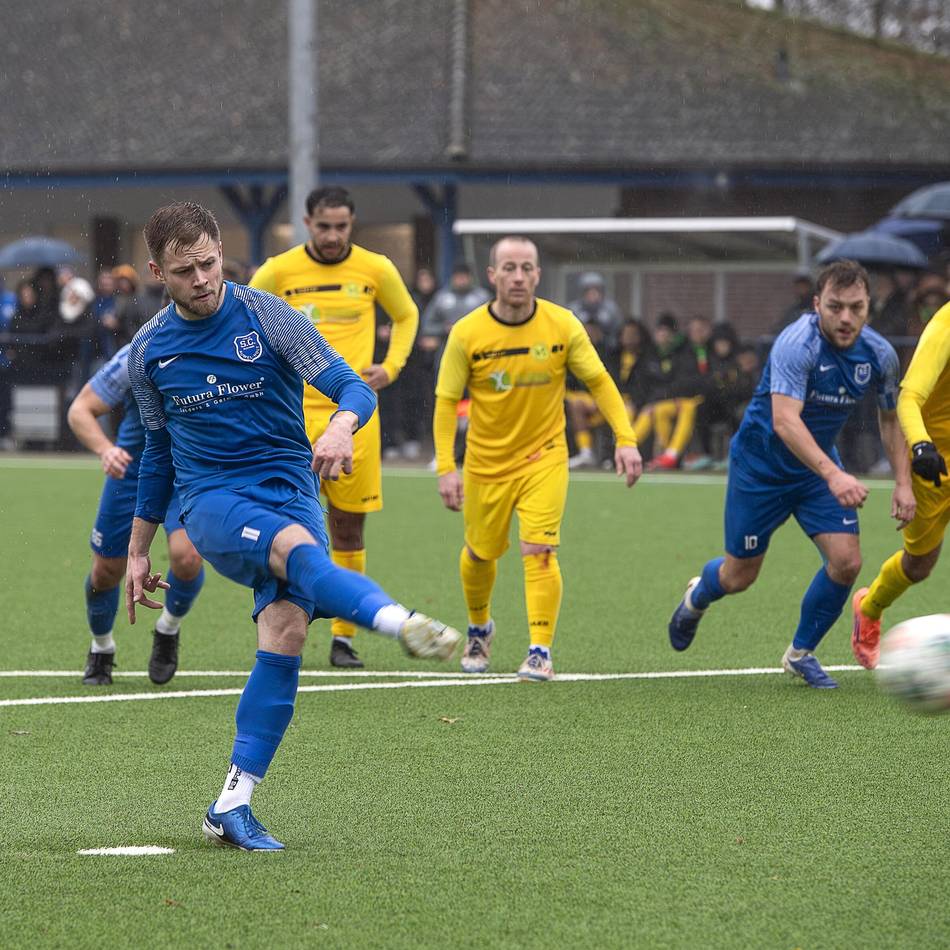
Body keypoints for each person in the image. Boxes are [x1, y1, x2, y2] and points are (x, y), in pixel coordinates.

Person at [126, 201, 459, 851]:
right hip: (213, 500)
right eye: (184, 271)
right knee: (296, 551)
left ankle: (231, 804)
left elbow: (353, 388)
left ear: (222, 251)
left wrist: (340, 425)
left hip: (291, 486)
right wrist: (139, 549)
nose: (202, 279)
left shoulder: (269, 316)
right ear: (157, 273)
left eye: (209, 263)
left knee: (286, 632)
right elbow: (157, 456)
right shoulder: (147, 353)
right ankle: (398, 622)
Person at [667, 260, 912, 689]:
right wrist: (835, 475)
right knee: (739, 576)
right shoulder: (797, 345)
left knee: (847, 562)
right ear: (817, 304)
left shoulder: (880, 355)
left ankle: (801, 653)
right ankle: (697, 596)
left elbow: (890, 420)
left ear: (868, 306)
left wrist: (904, 483)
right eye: (835, 307)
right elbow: (785, 421)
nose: (846, 318)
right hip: (760, 468)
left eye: (856, 307)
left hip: (814, 472)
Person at [434, 236, 642, 681]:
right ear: (492, 275)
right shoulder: (467, 333)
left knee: (540, 550)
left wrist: (625, 438)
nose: (518, 277)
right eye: (509, 268)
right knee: (479, 555)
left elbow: (600, 381)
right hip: (485, 463)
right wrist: (447, 468)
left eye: (526, 268)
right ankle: (479, 629)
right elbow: (446, 401)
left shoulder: (562, 325)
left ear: (538, 275)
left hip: (544, 457)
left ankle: (539, 650)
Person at [250, 186, 420, 670]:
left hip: (353, 417)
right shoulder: (278, 271)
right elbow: (243, 319)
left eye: (341, 226)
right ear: (308, 223)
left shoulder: (375, 268)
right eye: (323, 226)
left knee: (348, 525)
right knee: (282, 526)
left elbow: (407, 314)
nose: (332, 235)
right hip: (290, 419)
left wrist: (392, 366)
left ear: (352, 223)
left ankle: (344, 637)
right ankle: (281, 623)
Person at [67, 344, 206, 686]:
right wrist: (106, 450)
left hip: (187, 472)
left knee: (187, 556)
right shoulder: (139, 352)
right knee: (106, 571)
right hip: (133, 473)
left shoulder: (217, 349)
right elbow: (81, 409)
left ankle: (168, 628)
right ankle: (102, 646)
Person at [851, 296, 950, 669]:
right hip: (932, 464)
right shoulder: (945, 325)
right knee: (919, 565)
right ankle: (870, 606)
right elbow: (909, 398)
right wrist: (921, 446)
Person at [567, 272, 624, 354]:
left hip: (607, 350)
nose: (592, 294)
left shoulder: (611, 309)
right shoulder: (573, 309)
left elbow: (617, 332)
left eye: (596, 289)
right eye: (588, 290)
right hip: (579, 349)